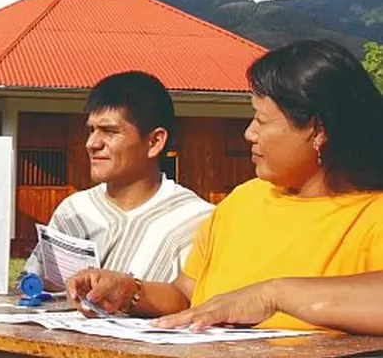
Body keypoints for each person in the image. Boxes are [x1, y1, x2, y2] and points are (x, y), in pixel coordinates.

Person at [66, 40, 383, 335]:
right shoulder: (244, 200)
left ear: (318, 130)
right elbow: (186, 295)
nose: (249, 133)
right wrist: (130, 292)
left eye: (261, 120)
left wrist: (274, 294)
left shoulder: (371, 213)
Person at [23, 71, 213, 288]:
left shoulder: (194, 221)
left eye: (109, 131)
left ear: (154, 142)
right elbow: (33, 285)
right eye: (91, 130)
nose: (92, 143)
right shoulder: (74, 211)